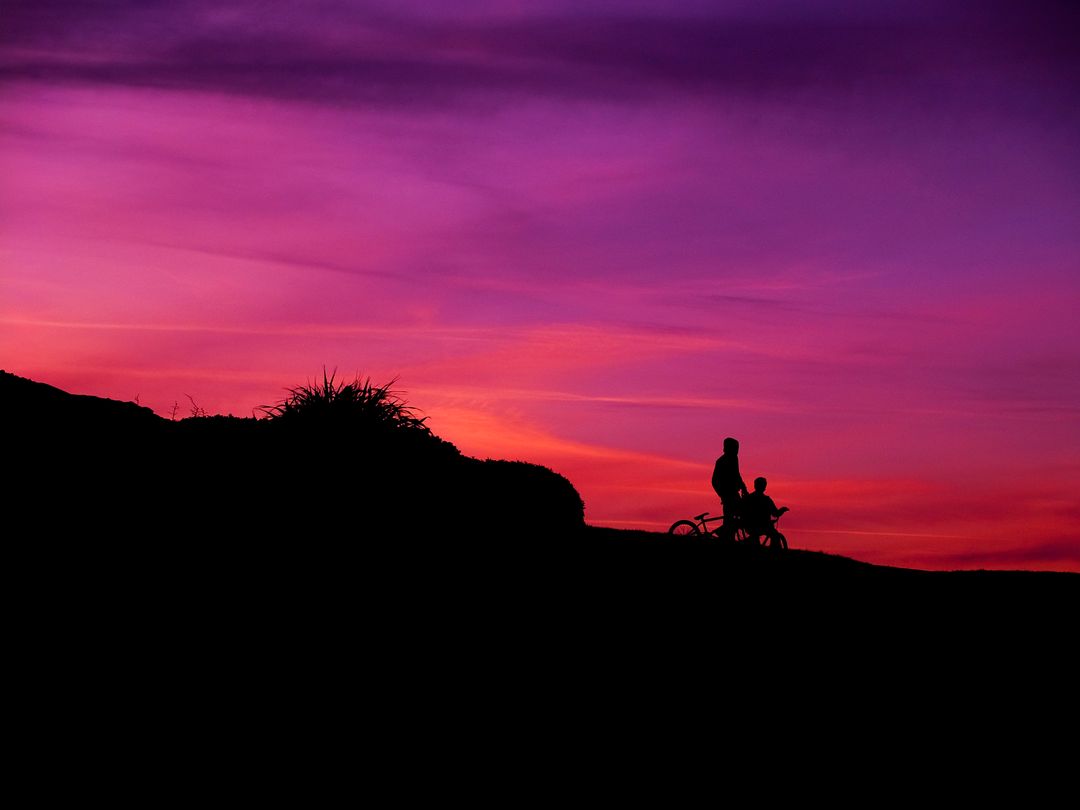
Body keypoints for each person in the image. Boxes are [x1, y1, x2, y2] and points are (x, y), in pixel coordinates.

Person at [711, 437, 748, 541]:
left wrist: (743, 488)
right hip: (728, 494)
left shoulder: (734, 459)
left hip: (734, 493)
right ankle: (724, 535)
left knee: (736, 516)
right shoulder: (721, 461)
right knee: (732, 516)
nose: (737, 451)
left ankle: (726, 535)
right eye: (735, 448)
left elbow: (737, 474)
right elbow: (714, 481)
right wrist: (722, 494)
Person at [741, 477, 790, 549]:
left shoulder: (748, 498)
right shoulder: (767, 500)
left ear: (755, 486)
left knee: (756, 539)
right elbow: (775, 513)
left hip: (750, 526)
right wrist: (782, 510)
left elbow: (742, 511)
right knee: (775, 536)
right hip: (764, 526)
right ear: (764, 487)